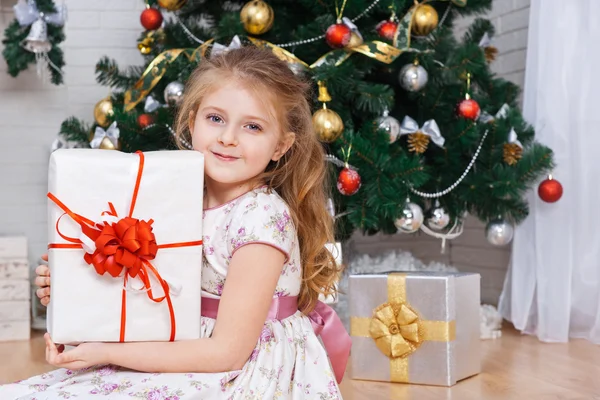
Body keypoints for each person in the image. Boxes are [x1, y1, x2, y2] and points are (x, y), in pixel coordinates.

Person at [0, 46, 350, 399]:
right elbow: (142, 289)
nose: (228, 137)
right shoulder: (178, 197)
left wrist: (106, 352)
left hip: (244, 367)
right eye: (215, 119)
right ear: (192, 120)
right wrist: (69, 283)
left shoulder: (261, 218)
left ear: (281, 146)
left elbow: (227, 353)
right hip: (182, 344)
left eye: (253, 126)